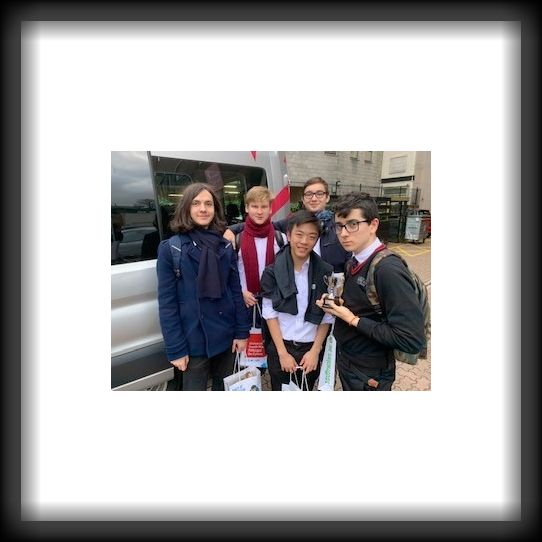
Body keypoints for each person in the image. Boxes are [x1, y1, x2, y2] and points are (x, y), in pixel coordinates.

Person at [315, 192, 425, 391]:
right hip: (350, 363)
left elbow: (411, 339)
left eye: (353, 224)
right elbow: (364, 306)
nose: (344, 233)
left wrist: (352, 319)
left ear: (373, 225)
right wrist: (337, 306)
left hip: (370, 374)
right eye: (339, 226)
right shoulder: (354, 260)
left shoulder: (388, 270)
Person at [156, 182, 250, 391]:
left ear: (215, 209)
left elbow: (235, 292)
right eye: (196, 203)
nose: (203, 209)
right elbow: (167, 304)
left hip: (226, 338)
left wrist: (242, 332)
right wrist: (176, 349)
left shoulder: (225, 245)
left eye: (208, 204)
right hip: (193, 342)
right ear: (187, 208)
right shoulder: (171, 248)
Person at [260, 210, 334, 391]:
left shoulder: (325, 271)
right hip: (281, 346)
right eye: (299, 235)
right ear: (289, 235)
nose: (304, 241)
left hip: (310, 348)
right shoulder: (272, 271)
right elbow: (270, 314)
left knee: (305, 390)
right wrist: (282, 353)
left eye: (311, 236)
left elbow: (327, 315)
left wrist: (315, 351)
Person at [225, 177, 350, 273]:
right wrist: (232, 229)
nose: (313, 198)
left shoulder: (339, 226)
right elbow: (264, 225)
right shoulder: (294, 221)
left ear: (327, 197)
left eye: (319, 193)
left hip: (331, 290)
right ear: (303, 198)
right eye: (309, 194)